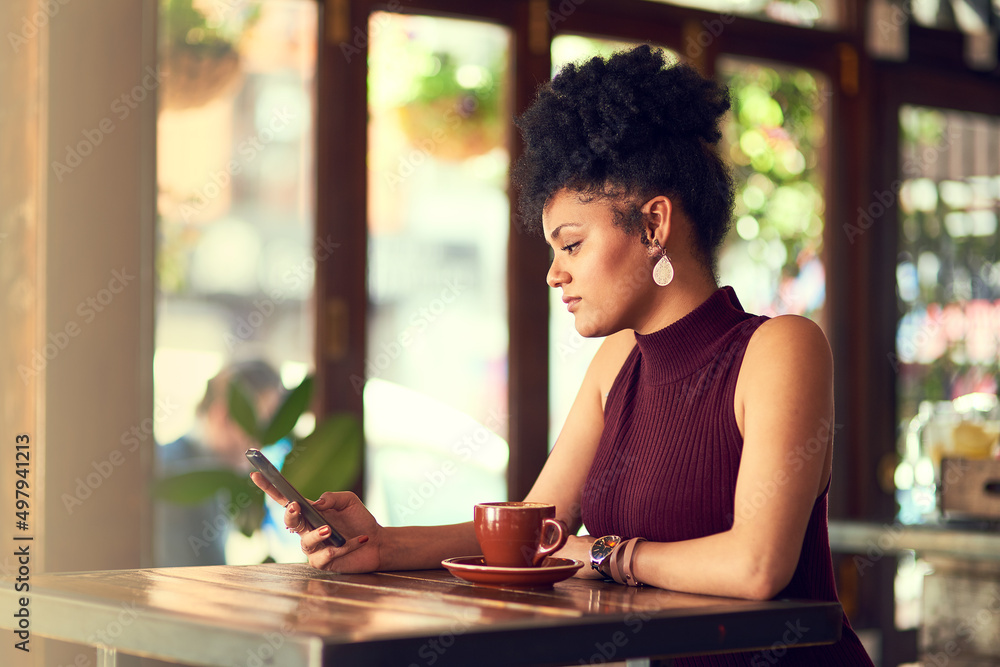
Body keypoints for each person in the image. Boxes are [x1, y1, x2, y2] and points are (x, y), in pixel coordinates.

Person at [252, 46, 873, 664]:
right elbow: (532, 526)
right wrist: (383, 545)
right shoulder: (617, 363)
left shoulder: (780, 349)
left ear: (653, 224)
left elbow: (757, 566)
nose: (555, 274)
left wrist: (601, 554)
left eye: (571, 244)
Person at [155, 358, 285, 566]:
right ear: (224, 415)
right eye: (265, 424)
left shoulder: (217, 472)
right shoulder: (172, 473)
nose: (266, 443)